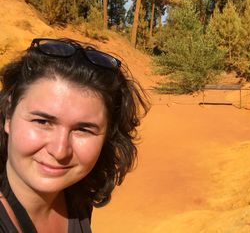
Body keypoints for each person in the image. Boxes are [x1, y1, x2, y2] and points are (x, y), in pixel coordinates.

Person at [0, 38, 149, 232]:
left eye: (83, 130)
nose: (60, 151)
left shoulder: (77, 197)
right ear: (9, 116)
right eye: (42, 122)